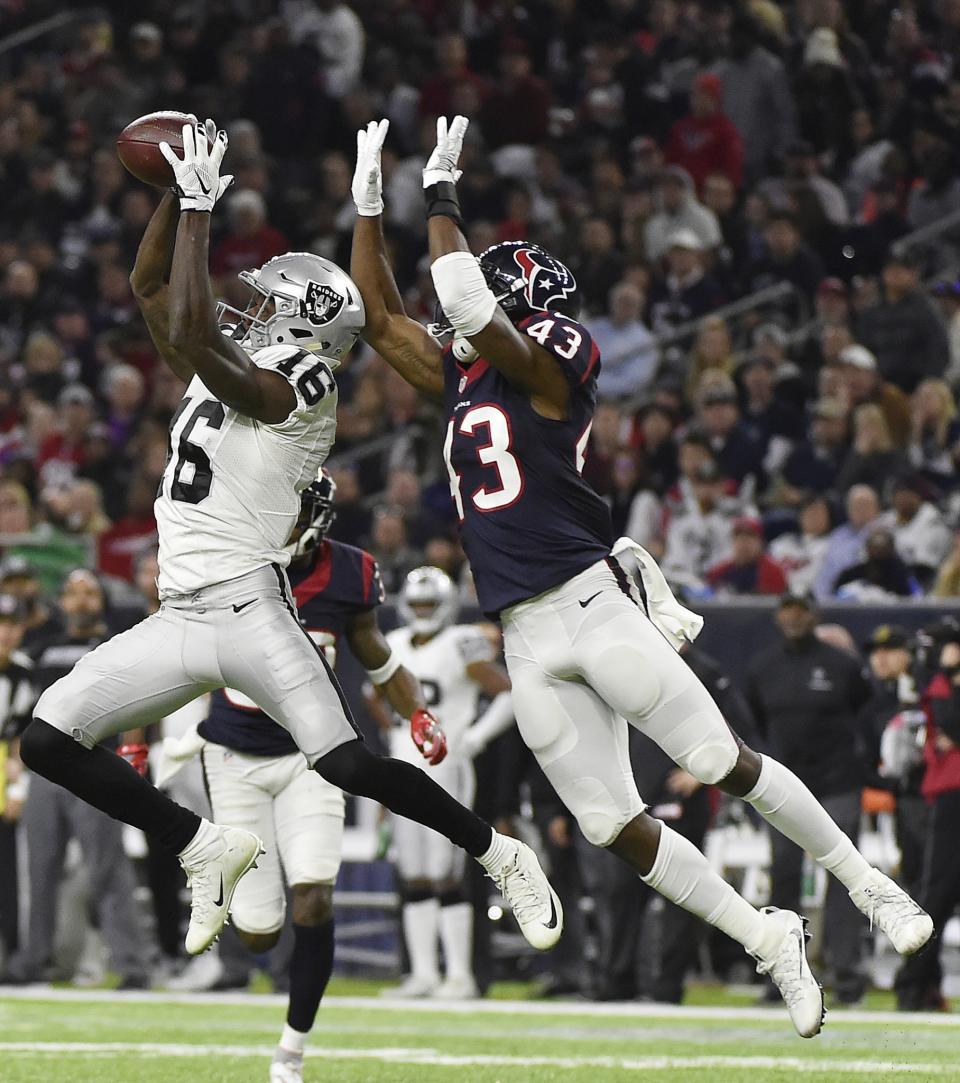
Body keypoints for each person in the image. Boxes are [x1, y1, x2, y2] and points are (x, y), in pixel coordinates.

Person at [350, 115, 933, 1038]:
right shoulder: (470, 379)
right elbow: (381, 318)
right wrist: (369, 204)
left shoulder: (554, 363)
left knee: (717, 762)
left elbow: (463, 301)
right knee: (608, 824)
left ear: (523, 303)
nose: (464, 314)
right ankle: (768, 936)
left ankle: (868, 886)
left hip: (588, 604)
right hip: (526, 635)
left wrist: (444, 196)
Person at [17, 117, 559, 967]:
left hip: (251, 611)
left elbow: (196, 330)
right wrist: (173, 193)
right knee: (45, 741)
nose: (254, 305)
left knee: (347, 762)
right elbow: (153, 289)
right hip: (178, 615)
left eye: (271, 302)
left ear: (307, 325)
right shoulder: (232, 355)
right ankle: (200, 845)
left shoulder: (306, 380)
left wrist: (200, 209)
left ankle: (499, 853)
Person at [186, 471, 434, 1081]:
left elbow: (373, 650)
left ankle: (291, 1050)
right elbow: (175, 651)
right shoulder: (223, 559)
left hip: (311, 756)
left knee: (315, 895)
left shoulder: (348, 573)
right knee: (260, 934)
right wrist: (139, 741)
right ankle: (218, 882)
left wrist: (417, 711)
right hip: (234, 756)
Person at [372, 567, 513, 1000]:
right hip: (403, 768)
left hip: (446, 767)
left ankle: (459, 975)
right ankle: (423, 974)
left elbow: (508, 691)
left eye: (429, 605)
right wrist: (393, 736)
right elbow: (372, 698)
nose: (421, 612)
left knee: (446, 874)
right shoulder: (392, 644)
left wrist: (474, 736)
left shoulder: (461, 642)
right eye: (415, 605)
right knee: (414, 875)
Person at [4, 570, 150, 988]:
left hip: (94, 765)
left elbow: (136, 705)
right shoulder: (42, 650)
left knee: (107, 870)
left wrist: (130, 761)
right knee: (39, 872)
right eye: (73, 593)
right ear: (62, 602)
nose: (81, 601)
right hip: (45, 774)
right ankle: (34, 965)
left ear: (102, 600)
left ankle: (132, 967)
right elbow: (24, 720)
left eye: (90, 593)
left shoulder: (118, 646)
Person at [745, 593, 875, 1005]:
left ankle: (846, 976)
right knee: (783, 877)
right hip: (784, 789)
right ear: (778, 616)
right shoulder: (763, 668)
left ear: (814, 615)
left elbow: (865, 713)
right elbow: (752, 722)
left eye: (802, 610)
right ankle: (784, 976)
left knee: (846, 877)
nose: (795, 617)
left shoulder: (842, 664)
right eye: (788, 610)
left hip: (837, 784)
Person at [0, 596, 36, 967]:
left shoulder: (23, 674)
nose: (5, 632)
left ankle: (12, 953)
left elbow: (20, 737)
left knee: (9, 871)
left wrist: (17, 788)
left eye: (12, 623)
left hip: (4, 772)